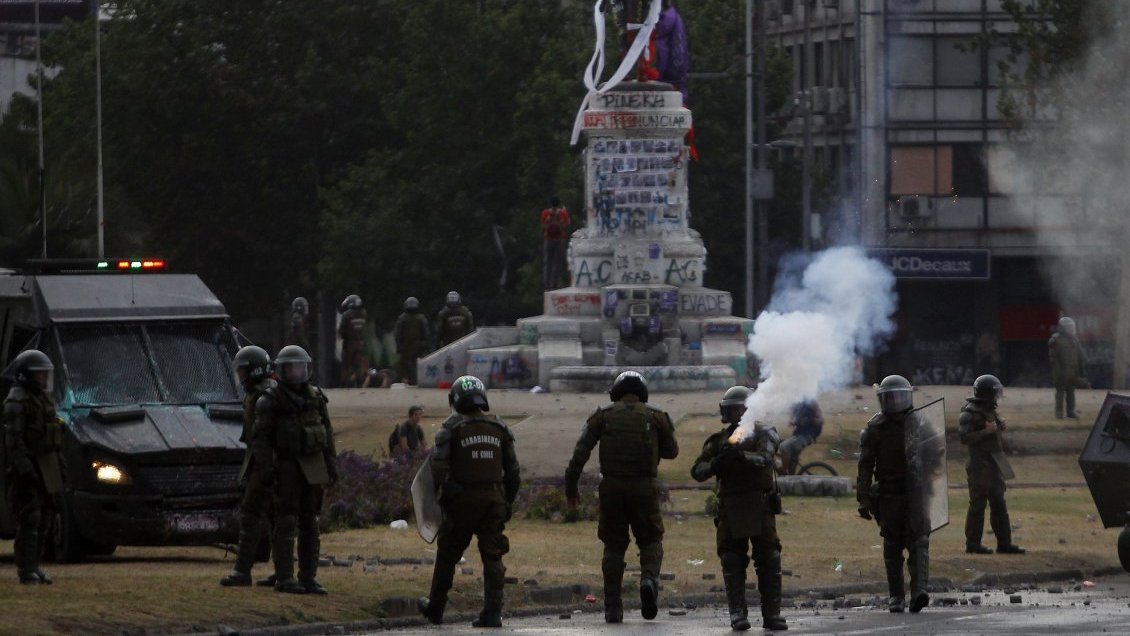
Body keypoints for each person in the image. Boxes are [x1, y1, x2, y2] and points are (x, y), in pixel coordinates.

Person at [564, 371, 678, 623]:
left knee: (614, 546)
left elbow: (579, 454)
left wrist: (571, 489)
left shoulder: (602, 417)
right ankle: (648, 579)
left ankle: (613, 607)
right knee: (650, 541)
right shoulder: (656, 416)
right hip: (644, 489)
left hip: (612, 489)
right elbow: (672, 451)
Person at [418, 376, 520, 628]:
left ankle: (436, 608)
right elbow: (514, 473)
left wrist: (444, 497)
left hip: (462, 501)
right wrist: (507, 501)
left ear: (454, 400)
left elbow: (437, 468)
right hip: (494, 501)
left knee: (448, 554)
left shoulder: (450, 429)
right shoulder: (500, 428)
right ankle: (493, 612)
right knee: (493, 557)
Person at [690, 386, 787, 631]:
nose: (737, 414)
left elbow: (765, 458)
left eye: (741, 409)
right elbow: (697, 471)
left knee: (769, 558)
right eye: (733, 410)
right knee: (732, 560)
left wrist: (741, 457)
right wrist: (717, 463)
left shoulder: (765, 433)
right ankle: (737, 613)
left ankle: (772, 614)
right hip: (730, 508)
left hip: (760, 505)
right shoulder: (719, 441)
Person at [251, 345, 338, 594]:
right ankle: (285, 576)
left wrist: (331, 465)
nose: (297, 373)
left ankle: (308, 576)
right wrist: (267, 469)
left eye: (301, 367)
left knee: (310, 522)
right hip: (286, 466)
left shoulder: (315, 397)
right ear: (281, 370)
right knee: (286, 520)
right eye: (291, 368)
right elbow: (261, 438)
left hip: (313, 465)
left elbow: (328, 433)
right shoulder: (270, 400)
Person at [856, 375, 930, 614]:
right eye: (891, 398)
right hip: (888, 495)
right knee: (891, 546)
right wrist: (863, 499)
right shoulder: (875, 429)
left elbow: (936, 457)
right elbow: (865, 466)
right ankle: (896, 596)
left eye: (900, 396)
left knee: (919, 542)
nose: (896, 402)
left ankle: (919, 591)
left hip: (916, 494)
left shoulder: (920, 423)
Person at [2, 350, 62, 584]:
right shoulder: (17, 400)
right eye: (38, 375)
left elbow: (52, 433)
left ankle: (34, 565)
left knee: (45, 516)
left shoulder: (42, 399)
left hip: (45, 466)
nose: (42, 379)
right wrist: (26, 470)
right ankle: (26, 570)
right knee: (31, 517)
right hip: (24, 470)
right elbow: (14, 441)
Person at [221, 346, 279, 587]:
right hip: (268, 464)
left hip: (265, 466)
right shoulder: (262, 393)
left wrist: (263, 471)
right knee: (275, 518)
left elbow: (262, 439)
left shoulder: (262, 396)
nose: (240, 376)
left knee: (251, 515)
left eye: (243, 370)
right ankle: (282, 571)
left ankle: (242, 571)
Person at [959, 374, 1025, 556]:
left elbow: (993, 425)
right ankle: (973, 544)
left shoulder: (988, 410)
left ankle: (1004, 544)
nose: (996, 397)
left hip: (994, 462)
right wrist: (986, 431)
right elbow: (965, 437)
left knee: (999, 504)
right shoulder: (969, 412)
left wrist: (998, 425)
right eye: (994, 393)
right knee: (978, 505)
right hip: (979, 464)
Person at [1048, 316, 1085, 419]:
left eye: (1071, 327)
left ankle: (1070, 412)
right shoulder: (1055, 340)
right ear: (1063, 328)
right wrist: (1058, 373)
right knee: (1060, 393)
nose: (1071, 329)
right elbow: (1054, 360)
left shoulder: (1074, 340)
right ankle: (1059, 414)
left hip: (1073, 371)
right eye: (1068, 327)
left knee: (1071, 393)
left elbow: (1080, 356)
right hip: (1061, 371)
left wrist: (1081, 370)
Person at [778, 399, 824, 474]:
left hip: (807, 436)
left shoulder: (811, 402)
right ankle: (791, 477)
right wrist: (793, 420)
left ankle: (784, 469)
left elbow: (821, 419)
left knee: (783, 446)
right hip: (799, 435)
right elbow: (793, 411)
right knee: (791, 459)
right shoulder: (799, 403)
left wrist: (810, 421)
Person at [394, 297, 430, 385]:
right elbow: (426, 333)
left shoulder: (403, 318)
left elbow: (397, 334)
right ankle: (411, 381)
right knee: (409, 366)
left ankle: (410, 381)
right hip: (413, 346)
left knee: (407, 366)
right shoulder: (420, 318)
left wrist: (399, 346)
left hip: (410, 346)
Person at [540, 196, 571, 290]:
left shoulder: (545, 213)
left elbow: (542, 225)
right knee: (557, 262)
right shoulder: (562, 213)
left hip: (548, 239)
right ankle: (555, 283)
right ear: (558, 203)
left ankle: (546, 284)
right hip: (559, 239)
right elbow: (567, 224)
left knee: (547, 262)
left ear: (551, 203)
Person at [338, 294, 369, 388]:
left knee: (347, 365)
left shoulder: (347, 315)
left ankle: (345, 384)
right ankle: (359, 384)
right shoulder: (364, 314)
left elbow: (341, 330)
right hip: (361, 344)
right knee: (358, 365)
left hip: (349, 344)